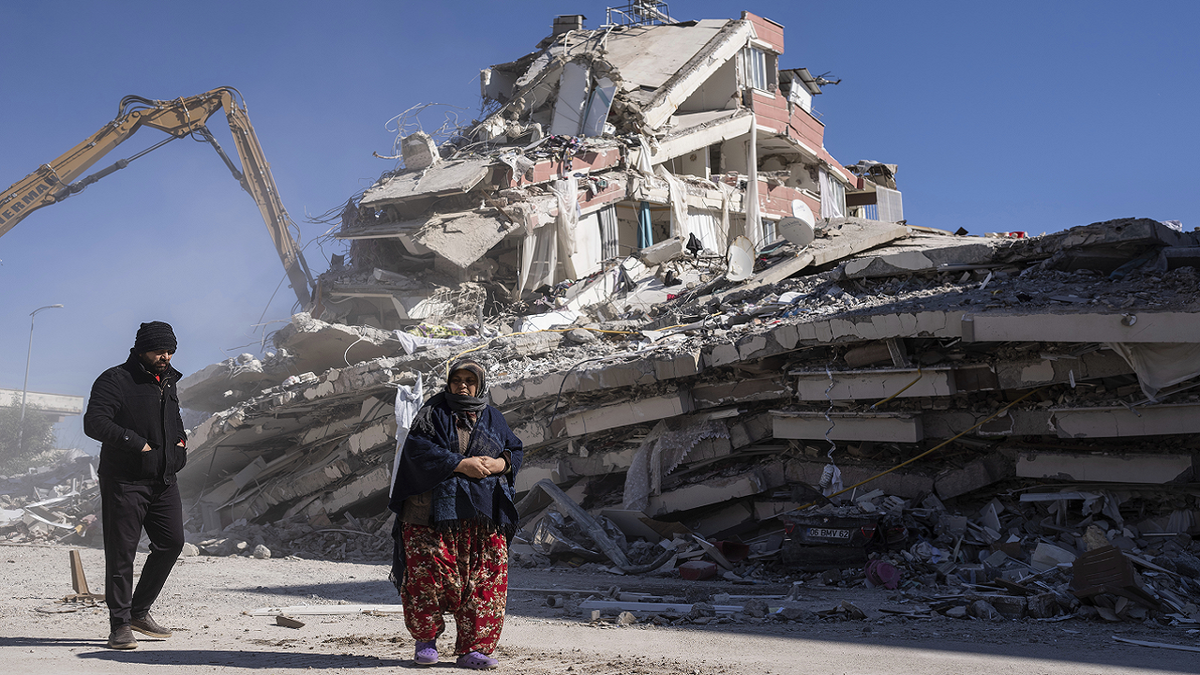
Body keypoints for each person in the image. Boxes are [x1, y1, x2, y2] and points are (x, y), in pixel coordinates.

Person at [388, 359, 523, 670]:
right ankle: (426, 641)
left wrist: (499, 464)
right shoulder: (433, 413)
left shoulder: (492, 416)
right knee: (427, 578)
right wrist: (461, 464)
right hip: (431, 515)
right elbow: (418, 451)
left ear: (480, 384)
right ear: (448, 383)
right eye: (457, 379)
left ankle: (474, 649)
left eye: (470, 380)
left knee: (484, 581)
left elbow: (514, 449)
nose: (463, 385)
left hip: (482, 515)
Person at [83, 321, 187, 650]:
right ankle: (120, 625)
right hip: (124, 480)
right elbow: (95, 422)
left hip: (163, 479)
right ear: (141, 349)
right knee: (122, 553)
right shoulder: (115, 380)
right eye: (160, 350)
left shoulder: (169, 380)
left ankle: (139, 612)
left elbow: (174, 419)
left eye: (170, 350)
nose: (166, 356)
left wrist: (181, 444)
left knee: (172, 543)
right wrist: (136, 443)